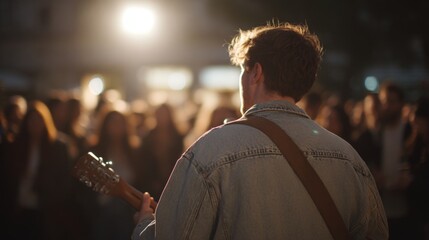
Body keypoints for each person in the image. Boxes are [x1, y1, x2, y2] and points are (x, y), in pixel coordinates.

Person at [132, 22, 388, 239]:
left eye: (243, 70)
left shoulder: (212, 149)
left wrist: (145, 223)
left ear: (255, 73)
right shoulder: (349, 159)